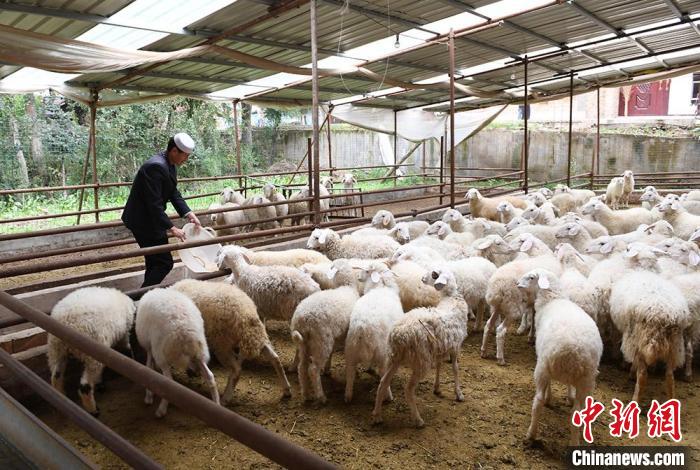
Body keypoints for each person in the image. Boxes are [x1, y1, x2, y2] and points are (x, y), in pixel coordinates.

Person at [122, 133, 201, 287]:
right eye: (185, 156)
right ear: (174, 151)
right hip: (143, 221)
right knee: (164, 263)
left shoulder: (169, 164)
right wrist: (172, 228)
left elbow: (172, 192)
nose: (186, 160)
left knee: (154, 261)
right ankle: (140, 296)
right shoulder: (155, 167)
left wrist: (189, 213)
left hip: (150, 219)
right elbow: (154, 204)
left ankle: (144, 297)